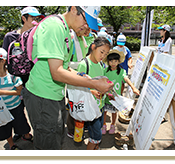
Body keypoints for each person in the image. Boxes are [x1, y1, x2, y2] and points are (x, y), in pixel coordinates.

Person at [21, 6, 114, 150]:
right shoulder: (54, 26)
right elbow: (57, 72)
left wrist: (90, 85)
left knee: (56, 138)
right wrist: (94, 84)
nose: (86, 26)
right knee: (48, 144)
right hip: (42, 96)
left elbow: (65, 68)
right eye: (85, 20)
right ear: (73, 9)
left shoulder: (66, 30)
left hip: (53, 94)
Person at [2, 6, 43, 141]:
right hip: (16, 79)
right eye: (32, 18)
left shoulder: (38, 35)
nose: (35, 21)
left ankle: (37, 131)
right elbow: (5, 58)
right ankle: (22, 131)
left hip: (34, 78)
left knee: (35, 107)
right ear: (23, 18)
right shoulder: (10, 37)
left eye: (37, 18)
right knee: (18, 108)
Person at [0, 48, 32, 150]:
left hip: (15, 106)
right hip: (1, 110)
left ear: (3, 61)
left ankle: (26, 135)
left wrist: (1, 92)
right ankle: (12, 144)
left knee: (21, 123)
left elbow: (20, 92)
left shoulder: (13, 77)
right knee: (5, 127)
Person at [77, 37, 111, 150]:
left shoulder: (101, 64)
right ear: (93, 47)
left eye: (106, 54)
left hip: (100, 106)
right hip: (90, 107)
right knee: (96, 136)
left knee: (97, 133)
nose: (103, 56)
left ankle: (95, 148)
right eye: (101, 52)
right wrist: (91, 90)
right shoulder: (84, 64)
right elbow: (77, 85)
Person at [101, 49, 140, 134]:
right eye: (111, 61)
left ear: (119, 61)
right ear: (108, 62)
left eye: (115, 61)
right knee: (105, 111)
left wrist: (133, 88)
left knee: (114, 112)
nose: (113, 63)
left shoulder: (121, 71)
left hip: (116, 98)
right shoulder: (105, 71)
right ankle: (103, 125)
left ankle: (113, 125)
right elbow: (102, 81)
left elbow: (126, 79)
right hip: (106, 96)